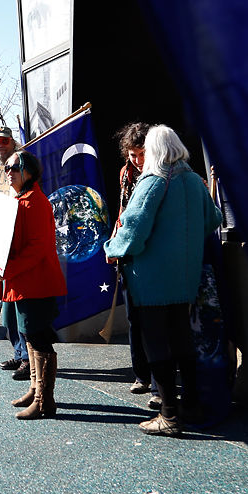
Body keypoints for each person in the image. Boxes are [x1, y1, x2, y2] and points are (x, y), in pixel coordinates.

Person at [104, 125, 223, 436]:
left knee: (157, 343)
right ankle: (191, 404)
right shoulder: (193, 181)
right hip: (186, 278)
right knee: (183, 339)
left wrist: (112, 248)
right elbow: (213, 219)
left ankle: (168, 415)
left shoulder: (153, 182)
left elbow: (133, 229)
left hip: (152, 279)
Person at [0, 150, 68, 420]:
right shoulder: (20, 200)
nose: (9, 172)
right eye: (7, 168)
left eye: (14, 167)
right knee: (30, 337)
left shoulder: (34, 201)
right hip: (22, 280)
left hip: (36, 282)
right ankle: (35, 389)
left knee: (38, 338)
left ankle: (44, 400)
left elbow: (37, 248)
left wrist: (7, 268)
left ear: (29, 172)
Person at [111, 122, 156, 402]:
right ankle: (141, 374)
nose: (137, 161)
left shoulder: (162, 174)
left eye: (142, 154)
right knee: (133, 318)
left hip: (155, 254)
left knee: (157, 321)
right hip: (129, 254)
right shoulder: (126, 174)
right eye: (132, 155)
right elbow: (123, 211)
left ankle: (160, 379)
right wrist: (115, 241)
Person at [0, 126, 31, 379]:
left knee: (20, 308)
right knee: (8, 312)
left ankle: (27, 358)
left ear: (12, 142)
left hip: (16, 246)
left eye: (4, 141)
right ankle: (19, 352)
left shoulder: (20, 164)